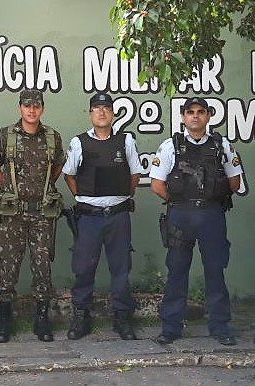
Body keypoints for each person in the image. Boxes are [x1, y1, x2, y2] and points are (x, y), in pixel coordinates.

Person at [150, 97, 243, 346]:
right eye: (190, 112)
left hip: (212, 216)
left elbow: (235, 182)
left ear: (208, 116)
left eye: (200, 112)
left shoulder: (222, 145)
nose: (195, 116)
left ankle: (220, 327)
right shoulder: (171, 146)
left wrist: (211, 197)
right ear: (182, 116)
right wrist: (183, 202)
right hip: (181, 216)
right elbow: (157, 185)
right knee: (177, 272)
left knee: (215, 271)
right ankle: (171, 328)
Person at [0, 89, 65, 343]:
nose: (32, 110)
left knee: (42, 268)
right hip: (13, 215)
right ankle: (4, 319)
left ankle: (41, 319)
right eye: (27, 106)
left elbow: (57, 167)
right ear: (20, 107)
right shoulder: (5, 136)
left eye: (37, 106)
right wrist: (8, 187)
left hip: (42, 214)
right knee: (7, 268)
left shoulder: (53, 137)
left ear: (42, 108)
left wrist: (44, 188)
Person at [62, 92, 141, 341]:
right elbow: (69, 175)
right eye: (96, 108)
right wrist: (83, 198)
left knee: (120, 268)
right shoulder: (79, 142)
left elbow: (135, 175)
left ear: (113, 113)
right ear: (90, 113)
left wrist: (122, 196)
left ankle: (122, 318)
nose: (102, 112)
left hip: (118, 215)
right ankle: (81, 317)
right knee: (84, 268)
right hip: (89, 217)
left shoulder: (125, 141)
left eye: (106, 108)